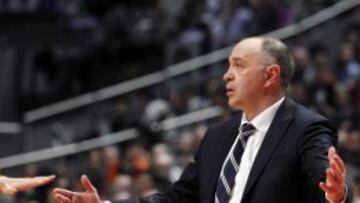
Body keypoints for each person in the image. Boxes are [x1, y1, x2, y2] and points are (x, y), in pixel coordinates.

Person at [52, 37, 352, 203]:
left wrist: (338, 195)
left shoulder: (306, 128)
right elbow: (175, 199)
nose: (227, 75)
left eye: (238, 65)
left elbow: (326, 180)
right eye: (227, 66)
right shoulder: (217, 137)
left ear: (270, 75)